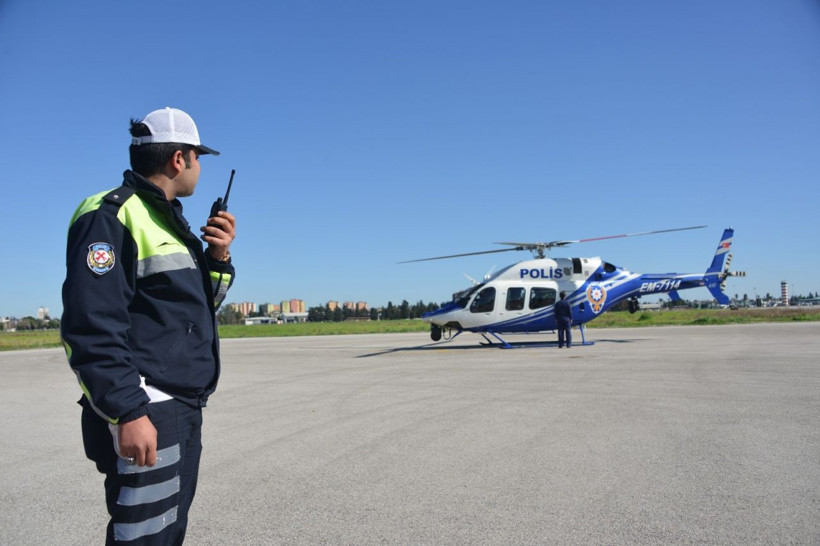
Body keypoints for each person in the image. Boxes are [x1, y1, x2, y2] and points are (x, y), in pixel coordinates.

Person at [61, 107, 236, 544]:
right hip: (148, 407)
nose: (199, 167)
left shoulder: (171, 222)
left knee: (166, 529)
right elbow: (91, 325)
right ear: (179, 159)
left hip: (178, 406)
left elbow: (194, 315)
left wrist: (218, 260)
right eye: (198, 156)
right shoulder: (111, 215)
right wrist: (129, 411)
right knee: (143, 536)